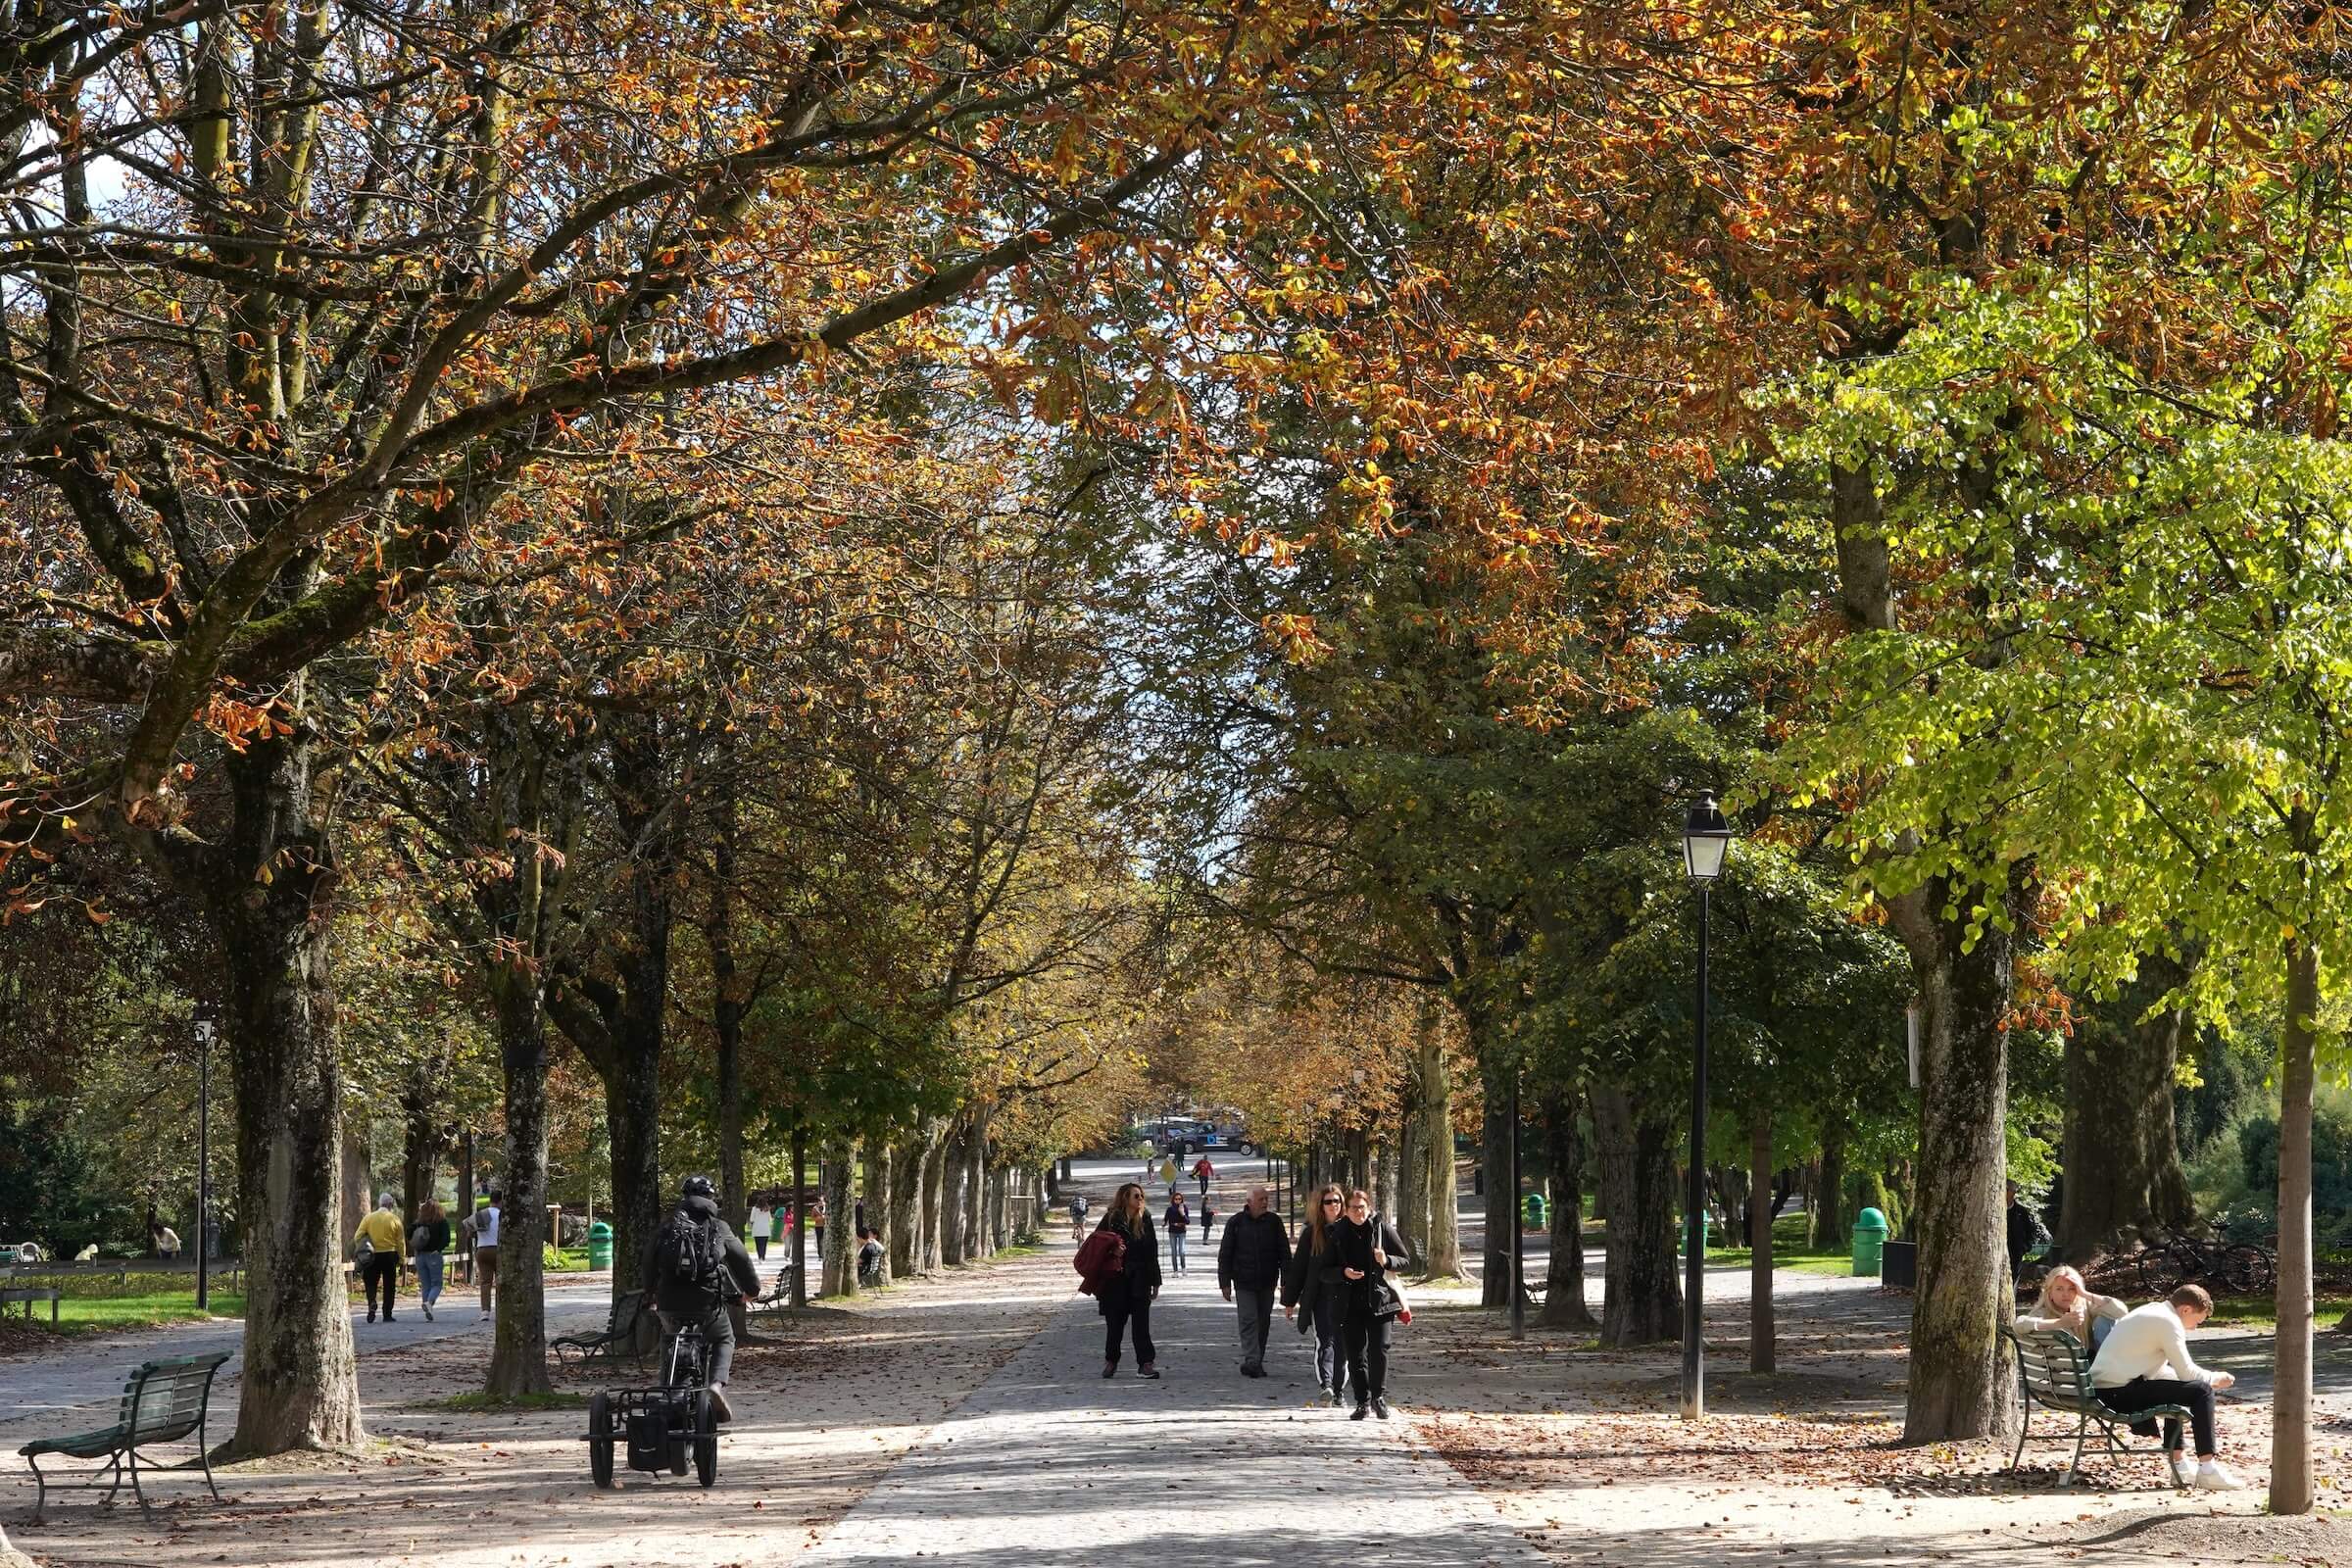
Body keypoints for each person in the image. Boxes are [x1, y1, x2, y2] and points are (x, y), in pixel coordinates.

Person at [2088, 1284, 2245, 1490]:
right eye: (2197, 1321)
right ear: (2186, 1310)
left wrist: (2194, 1381)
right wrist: (2215, 1378)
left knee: (2181, 1386)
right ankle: (2208, 1469)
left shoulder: (2153, 1311)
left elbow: (2168, 1373)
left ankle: (2179, 1465)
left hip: (2105, 1390)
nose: (2194, 1328)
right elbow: (2188, 1373)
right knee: (2202, 1391)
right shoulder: (2168, 1322)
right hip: (2117, 1394)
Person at [642, 1174, 760, 1422]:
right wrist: (751, 1292)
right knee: (724, 1337)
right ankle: (716, 1384)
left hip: (669, 1302)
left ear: (684, 1198)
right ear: (711, 1198)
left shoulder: (667, 1227)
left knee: (670, 1338)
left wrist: (650, 1293)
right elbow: (743, 1262)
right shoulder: (720, 1228)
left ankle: (667, 1390)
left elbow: (649, 1263)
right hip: (707, 1305)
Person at [1320, 1188, 1409, 1420]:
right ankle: (1362, 1401)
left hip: (1380, 1301)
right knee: (1356, 1354)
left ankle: (1378, 1398)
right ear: (1346, 1210)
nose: (1358, 1212)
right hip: (1349, 1304)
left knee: (1379, 1350)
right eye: (1353, 1208)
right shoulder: (1337, 1233)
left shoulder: (1382, 1229)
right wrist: (1343, 1272)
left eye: (1362, 1207)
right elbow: (1324, 1271)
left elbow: (1406, 1260)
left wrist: (1386, 1260)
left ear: (1368, 1207)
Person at [1283, 1184, 1350, 1404]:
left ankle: (1340, 1389)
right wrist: (1290, 1300)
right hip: (1320, 1297)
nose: (1334, 1206)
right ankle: (1327, 1385)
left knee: (1345, 1345)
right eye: (1329, 1201)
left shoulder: (1352, 1230)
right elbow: (1299, 1268)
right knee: (1325, 1341)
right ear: (1320, 1206)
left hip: (1348, 1296)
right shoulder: (1311, 1234)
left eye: (1337, 1201)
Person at [1219, 1185, 1291, 1378]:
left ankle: (1256, 1360)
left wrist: (1286, 1281)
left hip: (1267, 1281)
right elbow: (1225, 1254)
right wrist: (1224, 1282)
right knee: (1248, 1320)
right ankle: (1252, 1360)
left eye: (1267, 1199)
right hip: (1244, 1282)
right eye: (1261, 1199)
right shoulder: (1236, 1223)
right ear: (1249, 1202)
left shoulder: (1274, 1222)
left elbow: (1284, 1253)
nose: (1265, 1203)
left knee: (1263, 1322)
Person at [1094, 1183, 1162, 1378]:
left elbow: (1152, 1251)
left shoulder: (1145, 1218)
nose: (1140, 1200)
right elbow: (1095, 1245)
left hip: (1140, 1279)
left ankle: (1146, 1364)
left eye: (1141, 1196)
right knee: (1114, 1326)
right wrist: (1112, 1252)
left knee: (1141, 1325)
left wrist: (1155, 1281)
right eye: (1136, 1196)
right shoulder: (1110, 1219)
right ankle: (1111, 1361)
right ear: (1125, 1198)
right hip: (1115, 1281)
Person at [2017, 1263, 2127, 1352]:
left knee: (2104, 1321)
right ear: (2049, 1293)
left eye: (2072, 1289)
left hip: (2089, 1369)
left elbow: (2120, 1312)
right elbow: (2019, 1324)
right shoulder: (2044, 1312)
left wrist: (2085, 1294)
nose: (2066, 1294)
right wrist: (2059, 1323)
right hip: (2063, 1375)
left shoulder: (2085, 1306)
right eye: (2059, 1289)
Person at [353, 1192, 407, 1324]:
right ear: (390, 1205)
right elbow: (400, 1241)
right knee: (389, 1285)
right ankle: (387, 1314)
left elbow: (357, 1236)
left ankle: (372, 1302)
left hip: (372, 1255)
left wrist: (367, 1244)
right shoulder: (395, 1219)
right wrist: (402, 1258)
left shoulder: (369, 1218)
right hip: (389, 1254)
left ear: (380, 1204)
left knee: (370, 1281)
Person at [410, 1199, 451, 1322]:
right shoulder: (442, 1222)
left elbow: (408, 1232)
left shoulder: (418, 1223)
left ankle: (428, 1308)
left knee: (426, 1284)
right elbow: (446, 1239)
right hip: (434, 1255)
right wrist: (438, 1249)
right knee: (437, 1283)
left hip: (420, 1255)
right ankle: (429, 1303)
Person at [2006, 1182, 2050, 1283]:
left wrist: (2026, 1247)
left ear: (2013, 1192)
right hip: (1999, 1252)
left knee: (2013, 1280)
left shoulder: (2021, 1212)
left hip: (2016, 1254)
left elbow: (2030, 1231)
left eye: (2008, 1190)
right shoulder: (1997, 1211)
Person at [473, 1190, 503, 1319]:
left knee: (485, 1282)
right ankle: (502, 1309)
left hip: (482, 1249)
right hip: (498, 1249)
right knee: (501, 1281)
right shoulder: (502, 1215)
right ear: (501, 1201)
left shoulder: (481, 1214)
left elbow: (468, 1231)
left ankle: (485, 1311)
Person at [1163, 1191, 1192, 1274]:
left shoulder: (1184, 1208)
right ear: (1173, 1200)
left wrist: (1182, 1213)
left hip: (1182, 1231)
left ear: (1182, 1200)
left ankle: (1183, 1268)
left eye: (1179, 1199)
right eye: (1176, 1199)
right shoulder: (1169, 1209)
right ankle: (1175, 1270)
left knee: (1181, 1251)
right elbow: (1166, 1219)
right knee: (1174, 1252)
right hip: (1172, 1231)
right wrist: (1164, 1223)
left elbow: (1188, 1221)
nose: (1178, 1201)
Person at [749, 1197, 773, 1261]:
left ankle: (760, 1257)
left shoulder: (754, 1208)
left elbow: (751, 1219)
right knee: (764, 1244)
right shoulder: (767, 1209)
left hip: (757, 1229)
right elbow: (770, 1219)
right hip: (765, 1229)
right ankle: (763, 1256)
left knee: (758, 1244)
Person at [811, 1196, 828, 1262]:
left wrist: (825, 1217)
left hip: (826, 1226)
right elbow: (812, 1217)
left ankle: (826, 1254)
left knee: (826, 1240)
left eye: (822, 1201)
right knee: (819, 1240)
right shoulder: (815, 1208)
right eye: (820, 1201)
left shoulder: (827, 1207)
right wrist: (818, 1218)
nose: (821, 1202)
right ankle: (820, 1255)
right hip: (818, 1226)